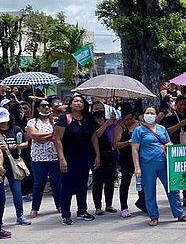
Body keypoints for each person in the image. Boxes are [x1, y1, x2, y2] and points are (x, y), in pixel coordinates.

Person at [131, 106, 186, 226]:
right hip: (147, 165)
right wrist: (137, 167)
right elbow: (134, 149)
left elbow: (168, 142)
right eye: (147, 113)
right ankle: (153, 216)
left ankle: (179, 214)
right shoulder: (139, 130)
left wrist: (169, 144)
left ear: (156, 115)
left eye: (152, 113)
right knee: (149, 191)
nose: (149, 115)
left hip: (164, 163)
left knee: (173, 189)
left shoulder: (161, 128)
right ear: (144, 115)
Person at [54, 95, 100, 225]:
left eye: (81, 101)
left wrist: (97, 155)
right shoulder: (65, 119)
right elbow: (57, 139)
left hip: (86, 156)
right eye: (76, 101)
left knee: (82, 184)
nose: (78, 103)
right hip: (69, 157)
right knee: (68, 185)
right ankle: (66, 214)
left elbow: (94, 137)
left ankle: (82, 211)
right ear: (70, 104)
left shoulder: (88, 119)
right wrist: (62, 159)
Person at [26, 99, 62, 218]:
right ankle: (35, 208)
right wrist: (52, 135)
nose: (46, 107)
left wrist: (44, 137)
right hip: (38, 158)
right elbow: (34, 136)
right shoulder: (33, 122)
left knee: (56, 182)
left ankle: (60, 205)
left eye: (48, 105)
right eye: (43, 105)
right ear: (37, 108)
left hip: (54, 156)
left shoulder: (55, 121)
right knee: (39, 183)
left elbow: (60, 134)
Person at [161, 95, 186, 207]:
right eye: (180, 104)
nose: (183, 107)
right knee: (175, 173)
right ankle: (176, 195)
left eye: (185, 105)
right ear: (176, 104)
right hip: (174, 147)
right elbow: (167, 131)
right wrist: (179, 124)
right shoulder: (170, 116)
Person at [0, 107, 31, 227]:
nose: (3, 123)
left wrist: (17, 146)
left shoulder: (16, 129)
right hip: (1, 166)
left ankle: (20, 215)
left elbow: (25, 143)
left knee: (17, 192)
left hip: (14, 164)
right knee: (1, 197)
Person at [113, 105, 143, 218]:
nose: (129, 121)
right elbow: (116, 144)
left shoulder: (140, 124)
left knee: (142, 182)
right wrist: (128, 142)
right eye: (126, 119)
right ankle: (124, 207)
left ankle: (142, 202)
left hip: (140, 158)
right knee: (125, 183)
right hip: (126, 158)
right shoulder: (120, 127)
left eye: (131, 119)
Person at [91, 101, 118, 215]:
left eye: (101, 108)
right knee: (98, 180)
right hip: (97, 154)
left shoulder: (109, 121)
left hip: (110, 153)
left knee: (110, 180)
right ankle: (98, 206)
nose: (99, 110)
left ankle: (109, 204)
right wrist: (106, 125)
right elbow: (96, 135)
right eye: (96, 108)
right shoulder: (90, 122)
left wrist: (113, 123)